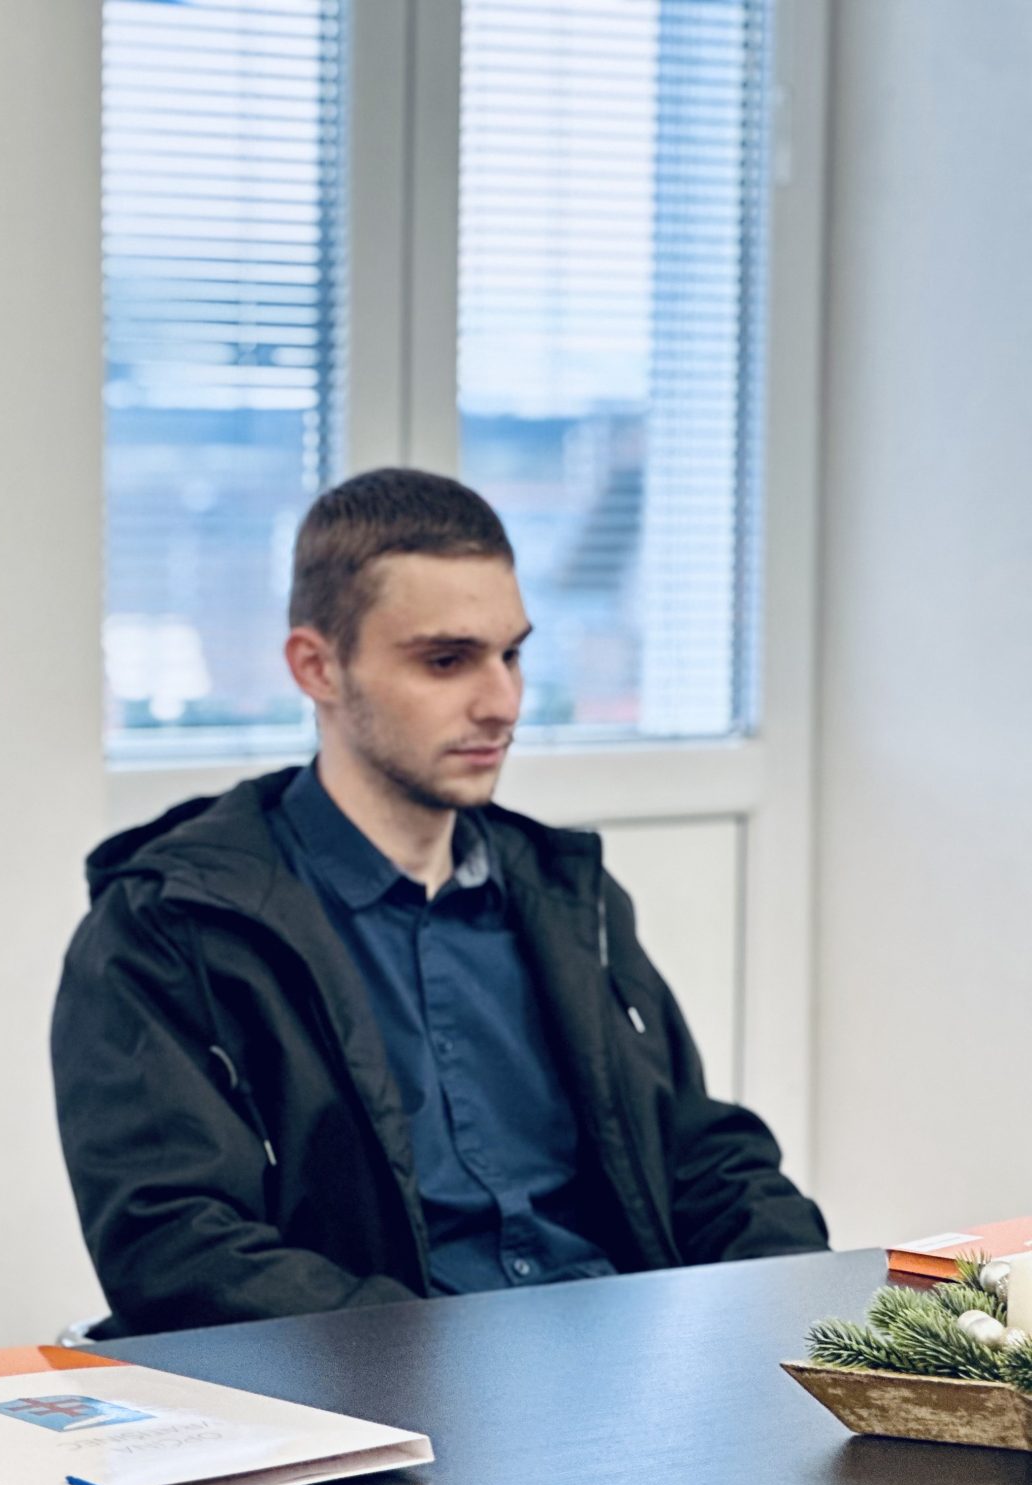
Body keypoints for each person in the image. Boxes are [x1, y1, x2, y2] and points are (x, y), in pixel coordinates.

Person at [52, 467, 826, 1336]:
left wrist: (804, 1319)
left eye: (512, 654)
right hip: (379, 1386)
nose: (502, 703)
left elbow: (699, 1156)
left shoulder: (568, 895)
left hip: (616, 1362)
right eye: (447, 661)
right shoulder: (171, 926)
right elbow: (178, 1251)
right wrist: (455, 1369)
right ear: (317, 667)